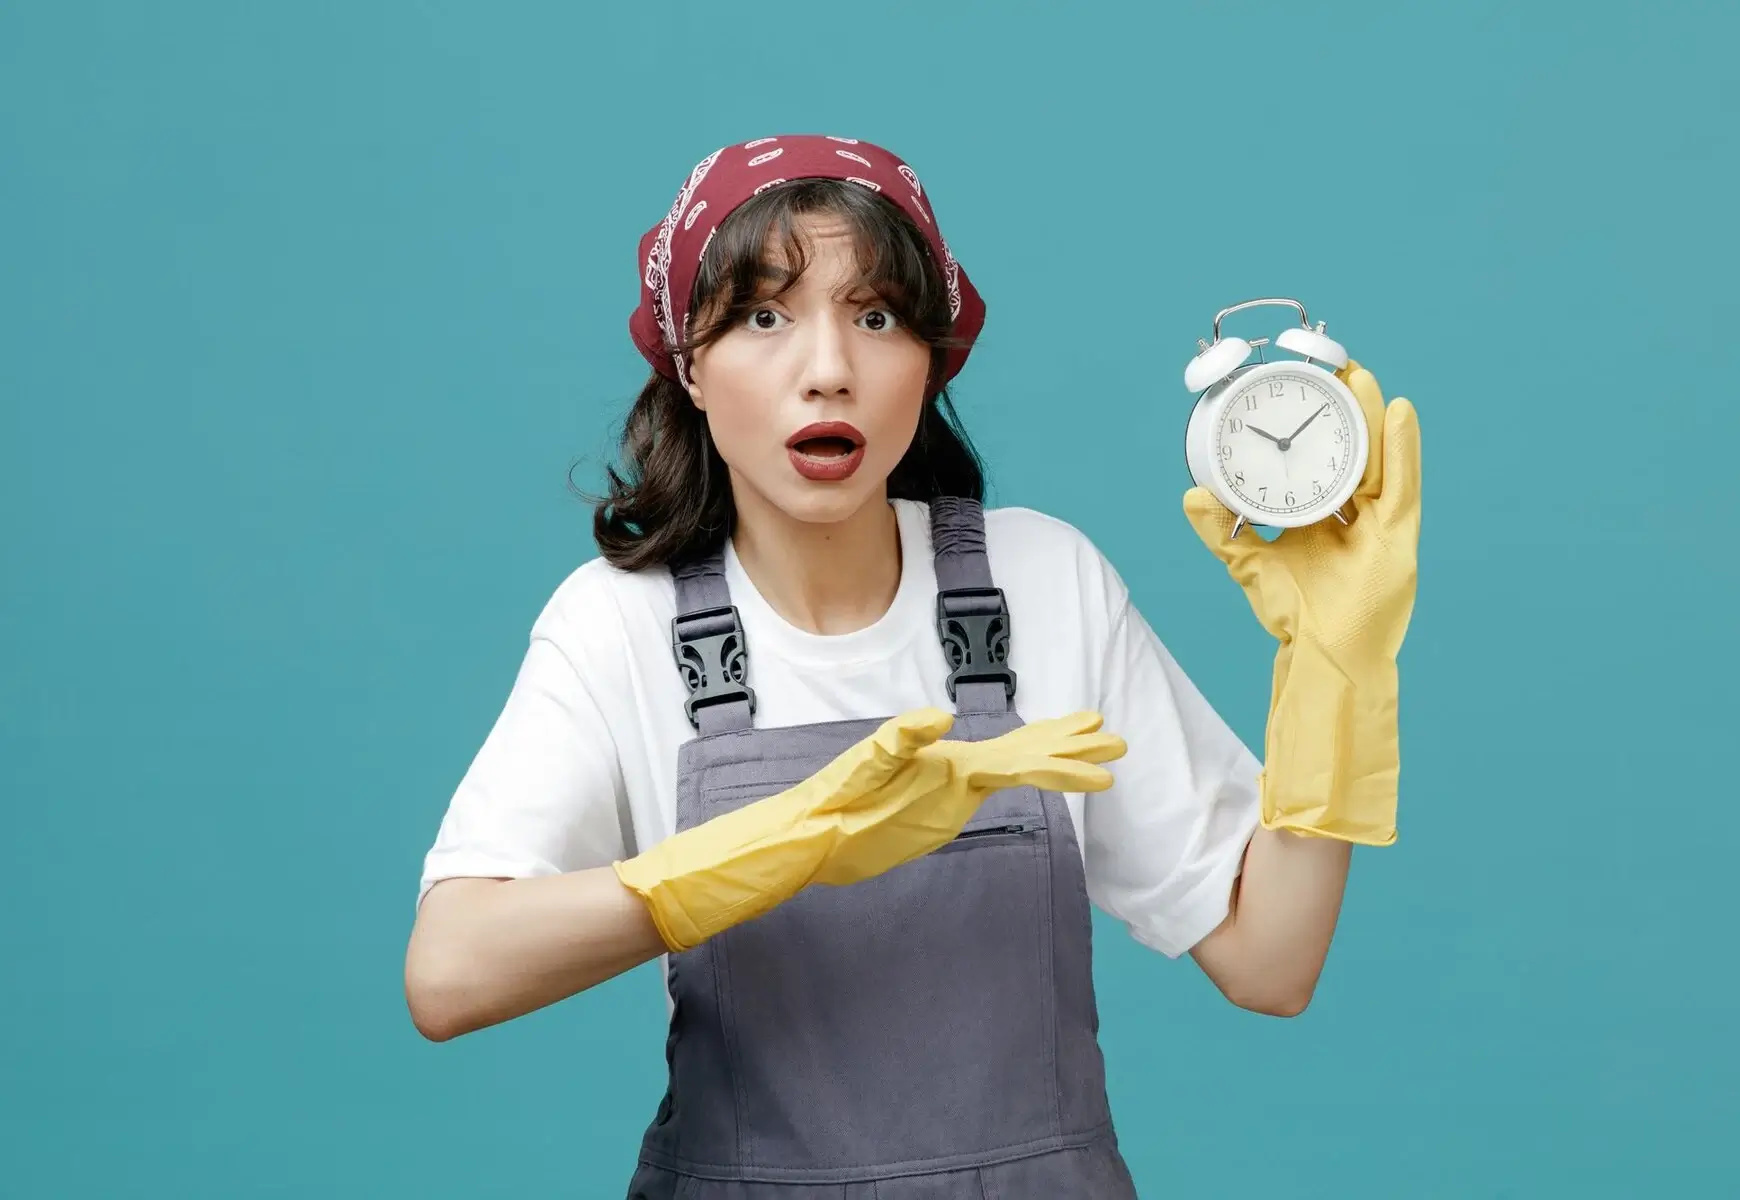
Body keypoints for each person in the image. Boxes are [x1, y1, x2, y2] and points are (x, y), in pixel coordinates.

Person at [404, 134, 1422, 1198]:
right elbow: (449, 974)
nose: (828, 368)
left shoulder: (1045, 582)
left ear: (930, 361)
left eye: (876, 316)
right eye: (763, 316)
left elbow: (1272, 960)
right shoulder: (621, 627)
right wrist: (738, 862)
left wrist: (1337, 670)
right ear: (689, 365)